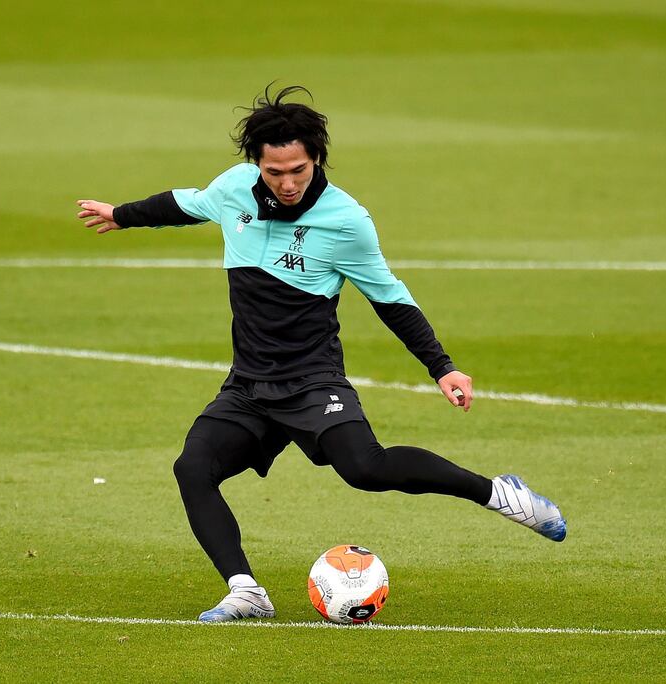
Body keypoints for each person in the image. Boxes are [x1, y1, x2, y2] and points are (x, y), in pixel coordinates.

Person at [76, 85, 566, 623]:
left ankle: (498, 493)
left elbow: (390, 297)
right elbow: (185, 203)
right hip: (249, 385)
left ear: (317, 160)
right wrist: (122, 214)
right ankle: (246, 592)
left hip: (312, 380)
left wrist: (442, 366)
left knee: (366, 469)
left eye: (299, 170)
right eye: (274, 172)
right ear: (256, 165)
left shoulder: (346, 220)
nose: (287, 183)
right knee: (193, 467)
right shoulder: (234, 189)